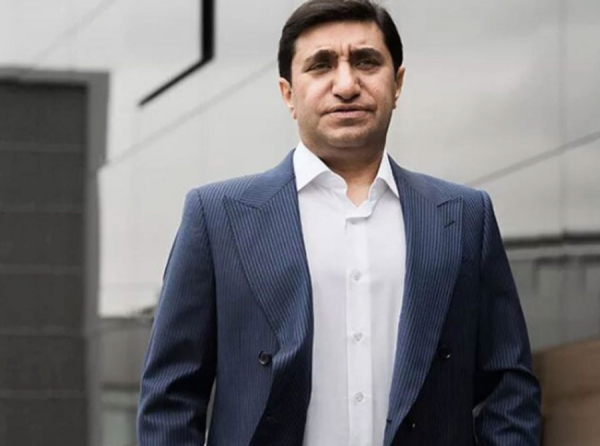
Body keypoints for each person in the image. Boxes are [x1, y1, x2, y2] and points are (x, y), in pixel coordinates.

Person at [137, 0, 542, 445]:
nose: (346, 85)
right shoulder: (217, 217)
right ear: (288, 93)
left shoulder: (464, 216)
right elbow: (171, 397)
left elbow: (509, 389)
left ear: (397, 83)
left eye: (366, 62)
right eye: (321, 65)